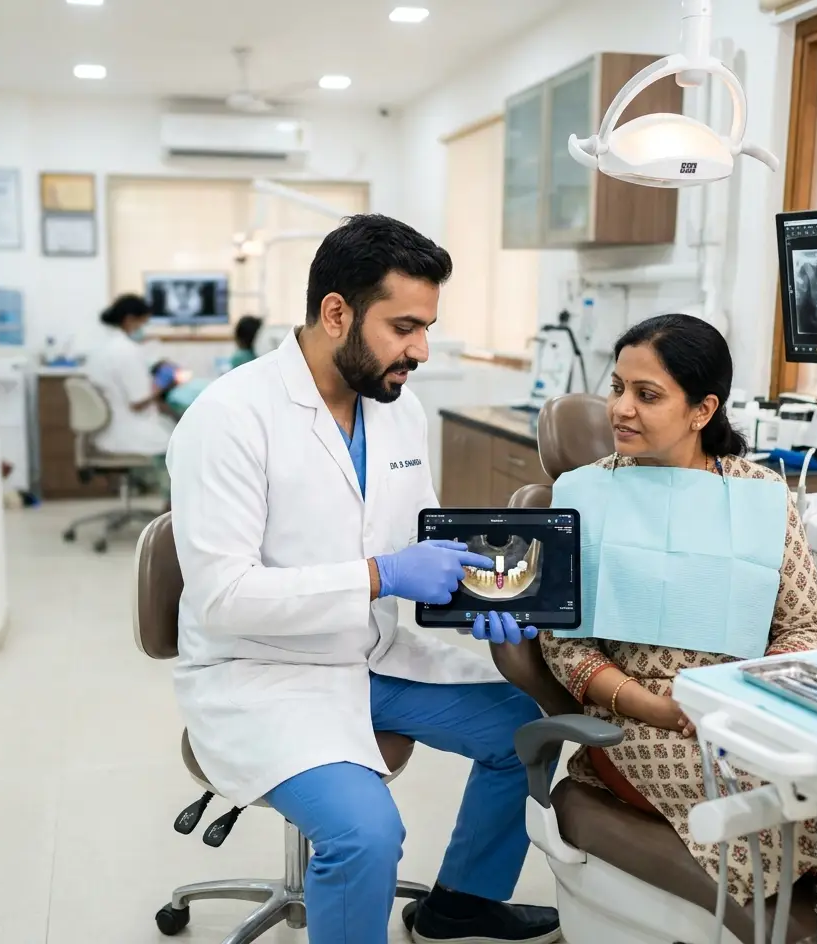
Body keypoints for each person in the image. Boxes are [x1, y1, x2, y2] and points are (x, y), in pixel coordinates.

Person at [166, 214, 559, 944]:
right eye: (404, 326)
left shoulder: (396, 408)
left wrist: (480, 597)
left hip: (372, 656)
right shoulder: (230, 418)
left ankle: (460, 906)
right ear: (336, 312)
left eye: (427, 326)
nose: (422, 349)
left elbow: (416, 541)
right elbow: (223, 599)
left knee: (527, 728)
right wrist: (381, 574)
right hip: (263, 672)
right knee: (367, 835)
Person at [539, 313, 817, 939]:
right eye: (617, 386)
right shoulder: (583, 495)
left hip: (750, 709)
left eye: (645, 395)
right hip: (640, 723)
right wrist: (653, 705)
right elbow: (562, 642)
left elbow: (807, 625)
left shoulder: (760, 496)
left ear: (702, 410)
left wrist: (754, 699)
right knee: (767, 814)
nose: (620, 409)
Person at [85, 294, 177, 505]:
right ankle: (171, 515)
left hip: (106, 429)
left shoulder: (103, 348)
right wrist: (165, 385)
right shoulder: (126, 351)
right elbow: (137, 403)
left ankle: (170, 509)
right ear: (129, 320)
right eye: (142, 323)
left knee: (170, 428)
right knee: (183, 444)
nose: (143, 329)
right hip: (128, 431)